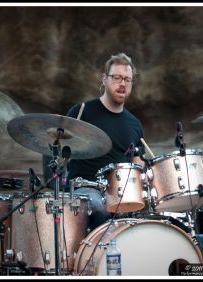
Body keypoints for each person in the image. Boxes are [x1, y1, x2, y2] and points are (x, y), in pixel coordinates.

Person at [66, 52, 145, 231]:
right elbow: (60, 147)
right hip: (86, 188)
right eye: (117, 77)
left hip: (120, 193)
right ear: (104, 79)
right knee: (101, 211)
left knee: (146, 216)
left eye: (127, 79)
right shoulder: (82, 111)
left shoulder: (134, 124)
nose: (122, 83)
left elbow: (137, 164)